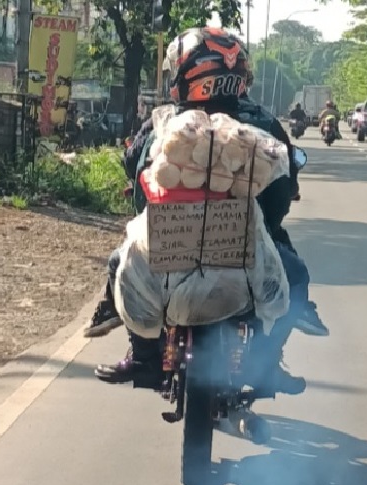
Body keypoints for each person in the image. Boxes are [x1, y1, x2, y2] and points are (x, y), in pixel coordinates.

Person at [85, 27, 328, 395]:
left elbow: (134, 171)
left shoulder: (165, 121)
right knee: (294, 277)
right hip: (248, 242)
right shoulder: (262, 122)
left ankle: (143, 355)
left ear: (186, 74)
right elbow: (282, 187)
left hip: (170, 243)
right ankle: (265, 365)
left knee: (121, 262)